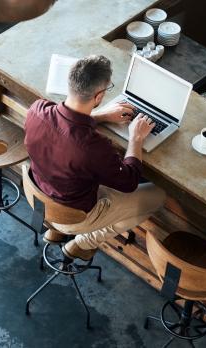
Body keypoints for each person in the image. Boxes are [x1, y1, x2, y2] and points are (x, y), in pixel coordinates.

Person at [24, 55, 166, 261]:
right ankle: (83, 242)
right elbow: (129, 181)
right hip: (77, 214)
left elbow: (66, 127)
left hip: (42, 195)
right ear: (99, 96)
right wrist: (136, 138)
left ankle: (57, 227)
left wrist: (100, 116)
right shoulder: (93, 147)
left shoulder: (37, 110)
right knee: (158, 195)